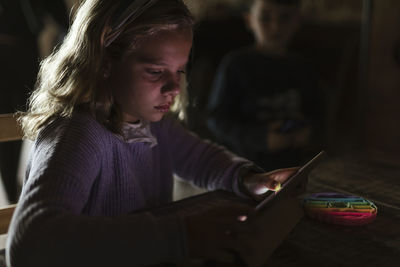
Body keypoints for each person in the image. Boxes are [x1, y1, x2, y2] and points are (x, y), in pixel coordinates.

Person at [6, 0, 299, 266]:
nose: (174, 88)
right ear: (105, 61)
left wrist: (249, 179)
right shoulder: (77, 134)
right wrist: (178, 236)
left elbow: (200, 158)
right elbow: (31, 241)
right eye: (156, 72)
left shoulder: (154, 122)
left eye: (180, 71)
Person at [207, 0, 325, 171]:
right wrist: (261, 139)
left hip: (293, 168)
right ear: (249, 20)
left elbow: (319, 116)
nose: (275, 27)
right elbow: (216, 119)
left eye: (285, 18)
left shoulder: (304, 68)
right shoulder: (236, 65)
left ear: (297, 21)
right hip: (244, 169)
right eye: (265, 18)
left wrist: (308, 132)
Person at [0, 0, 69, 203]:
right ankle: (13, 189)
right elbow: (61, 19)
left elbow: (62, 20)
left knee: (18, 127)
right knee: (12, 129)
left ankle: (14, 189)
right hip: (21, 58)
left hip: (23, 61)